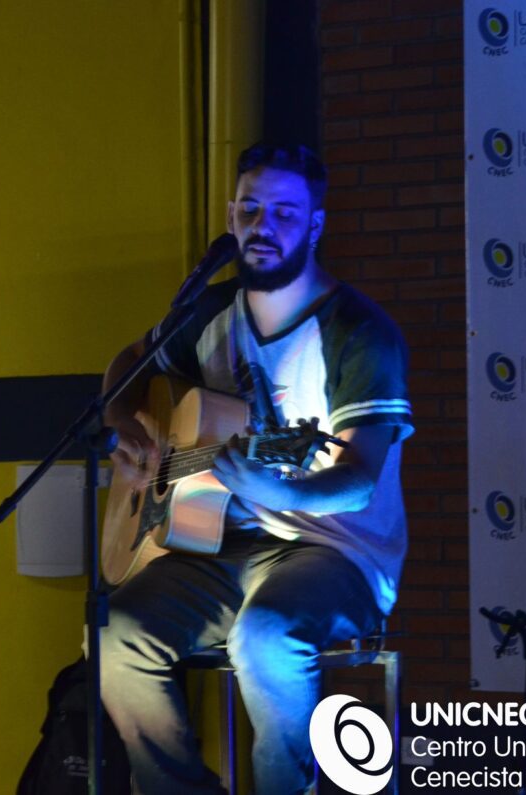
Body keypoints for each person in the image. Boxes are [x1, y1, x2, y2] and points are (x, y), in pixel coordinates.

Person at [98, 143, 412, 794]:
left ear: (315, 225)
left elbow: (358, 478)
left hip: (335, 552)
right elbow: (127, 366)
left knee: (265, 638)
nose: (262, 226)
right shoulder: (208, 313)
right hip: (219, 544)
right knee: (114, 633)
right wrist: (128, 425)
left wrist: (276, 488)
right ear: (230, 215)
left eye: (284, 213)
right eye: (250, 209)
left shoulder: (359, 332)